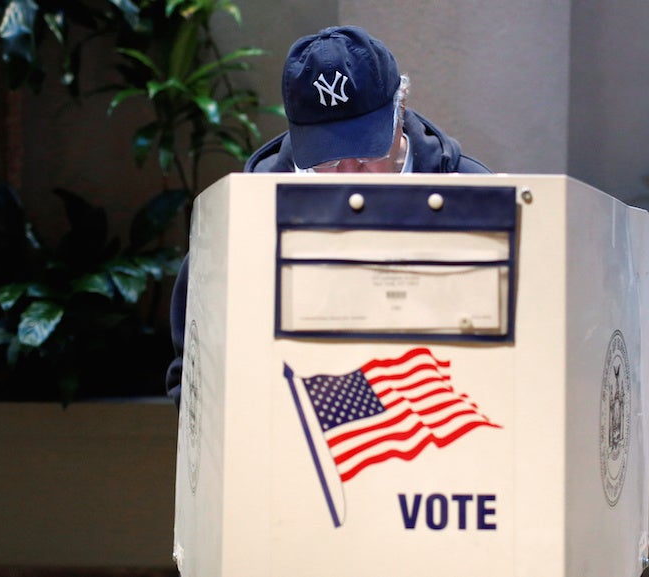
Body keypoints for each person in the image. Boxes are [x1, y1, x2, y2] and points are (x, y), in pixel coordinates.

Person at [165, 25, 491, 405]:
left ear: (398, 112)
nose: (349, 174)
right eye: (328, 158)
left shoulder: (473, 194)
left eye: (368, 153)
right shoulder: (242, 218)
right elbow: (190, 375)